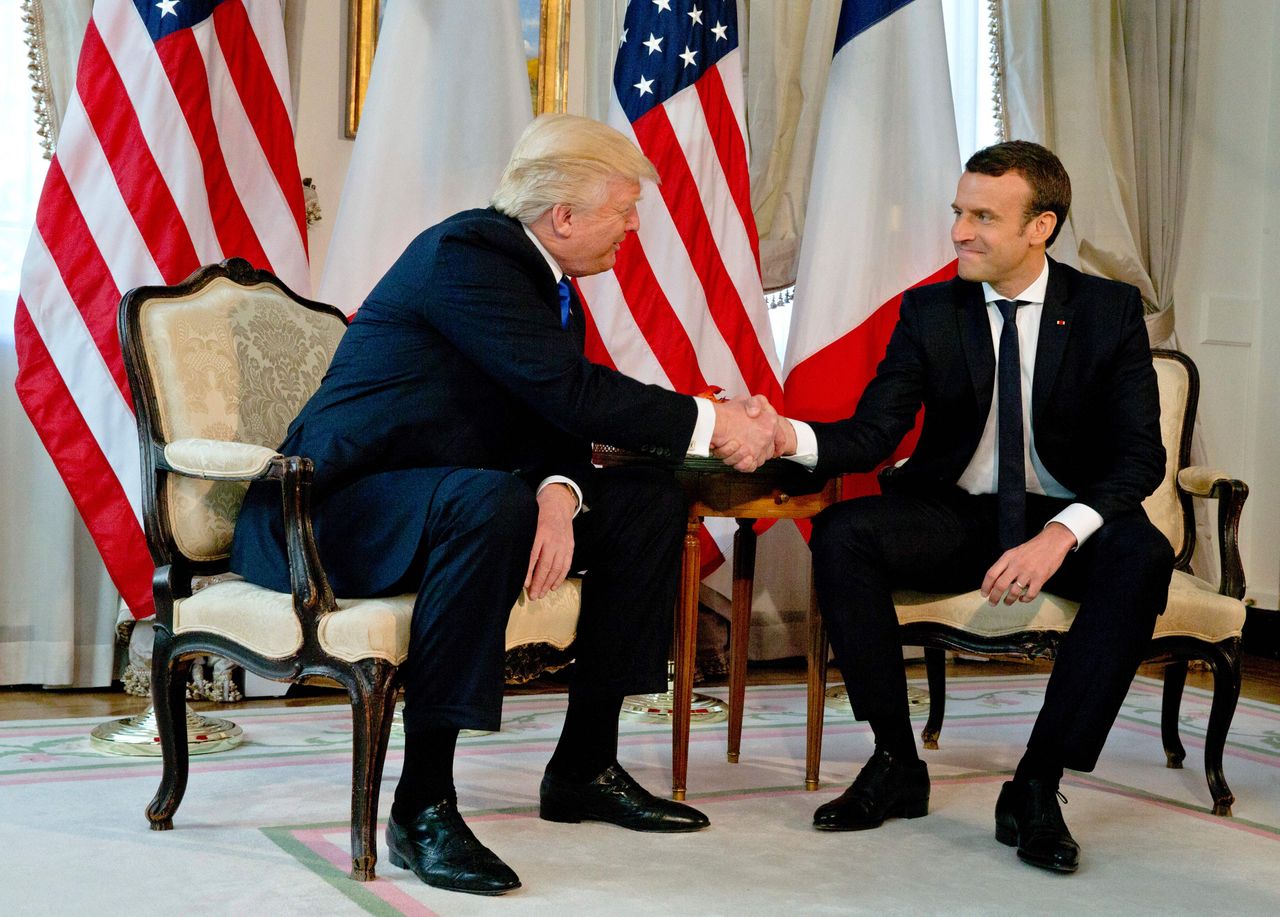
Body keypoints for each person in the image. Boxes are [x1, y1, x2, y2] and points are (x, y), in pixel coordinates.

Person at [230, 114, 778, 896]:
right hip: (327, 514)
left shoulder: (544, 285)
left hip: (444, 501)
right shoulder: (466, 258)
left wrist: (559, 495)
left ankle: (585, 763)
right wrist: (715, 419)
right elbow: (573, 392)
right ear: (563, 216)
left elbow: (551, 413)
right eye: (624, 210)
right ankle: (422, 806)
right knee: (489, 500)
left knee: (645, 496)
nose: (632, 227)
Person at [765, 140, 1173, 873]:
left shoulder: (1106, 311)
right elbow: (872, 435)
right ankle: (895, 760)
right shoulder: (930, 309)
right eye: (959, 212)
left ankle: (1037, 784)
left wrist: (1059, 533)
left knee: (1142, 555)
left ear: (1040, 226)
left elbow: (1140, 458)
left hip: (1066, 515)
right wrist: (782, 433)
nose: (959, 231)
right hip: (957, 512)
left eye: (983, 216)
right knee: (842, 533)